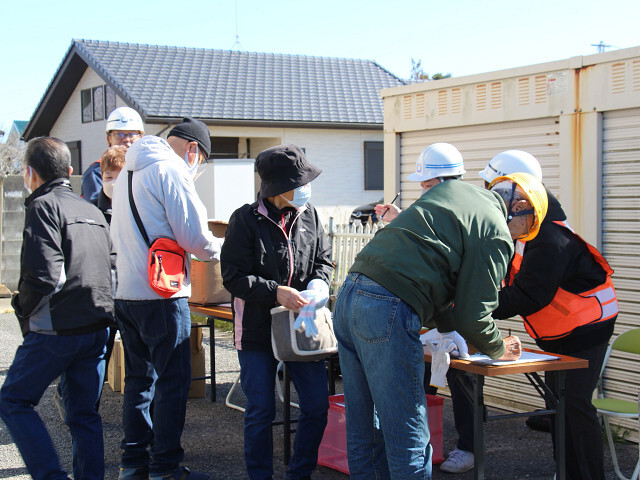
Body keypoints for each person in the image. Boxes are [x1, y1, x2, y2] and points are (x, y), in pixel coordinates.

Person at [333, 143, 523, 480]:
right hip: (386, 305)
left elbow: (445, 295)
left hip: (349, 295)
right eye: (528, 230)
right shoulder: (495, 229)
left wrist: (456, 329)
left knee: (364, 427)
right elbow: (473, 313)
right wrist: (497, 348)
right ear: (520, 206)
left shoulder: (452, 196)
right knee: (408, 433)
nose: (521, 239)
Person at [487, 163, 619, 480]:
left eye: (505, 219)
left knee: (574, 406)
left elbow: (529, 296)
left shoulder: (550, 240)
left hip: (587, 331)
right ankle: (566, 472)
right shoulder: (530, 231)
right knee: (559, 407)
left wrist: (476, 310)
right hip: (560, 332)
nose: (503, 227)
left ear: (521, 208)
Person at [110, 118, 222, 480]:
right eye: (200, 159)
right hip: (162, 294)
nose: (197, 166)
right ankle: (166, 467)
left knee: (139, 380)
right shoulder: (170, 170)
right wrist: (223, 248)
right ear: (193, 149)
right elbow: (196, 239)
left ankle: (133, 463)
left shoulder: (127, 170)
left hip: (126, 293)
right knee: (173, 382)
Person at [0, 137, 114, 480]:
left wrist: (22, 308)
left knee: (14, 400)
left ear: (29, 173)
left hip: (57, 329)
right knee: (84, 415)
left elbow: (45, 276)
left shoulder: (43, 206)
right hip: (98, 325)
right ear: (68, 171)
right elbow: (112, 266)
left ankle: (50, 475)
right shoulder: (91, 209)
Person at [220, 144, 334, 480]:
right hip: (256, 329)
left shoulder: (310, 214)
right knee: (260, 410)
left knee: (316, 406)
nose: (304, 189)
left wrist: (319, 285)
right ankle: (260, 475)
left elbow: (323, 262)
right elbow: (233, 277)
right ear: (275, 188)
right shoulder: (245, 219)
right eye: (297, 184)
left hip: (304, 324)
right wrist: (275, 293)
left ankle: (299, 473)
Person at [81, 106, 144, 203]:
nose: (126, 139)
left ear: (141, 138)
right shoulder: (96, 171)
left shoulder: (146, 169)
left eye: (132, 134)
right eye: (119, 134)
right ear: (108, 139)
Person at [97, 144, 127, 224]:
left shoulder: (141, 208)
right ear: (102, 177)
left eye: (120, 177)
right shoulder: (91, 209)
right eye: (109, 177)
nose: (114, 183)